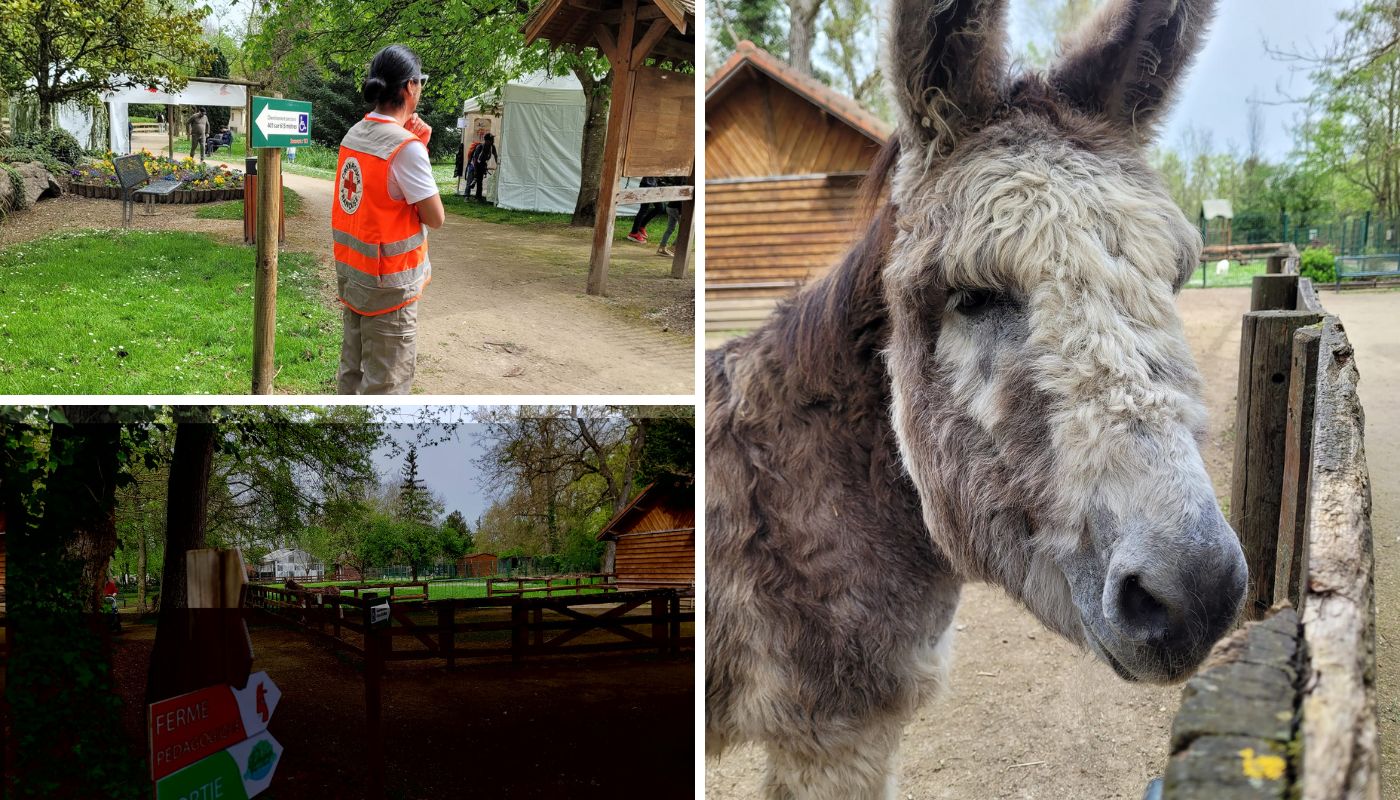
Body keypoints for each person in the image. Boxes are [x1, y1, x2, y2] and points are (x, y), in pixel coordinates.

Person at [332, 43, 444, 395]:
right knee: (385, 389)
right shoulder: (405, 147)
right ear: (410, 86)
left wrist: (415, 141)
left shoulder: (354, 134)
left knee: (351, 375)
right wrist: (415, 143)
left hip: (355, 281)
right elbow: (435, 217)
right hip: (390, 292)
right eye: (420, 82)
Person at [626, 177, 662, 244]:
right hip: (646, 185)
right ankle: (633, 233)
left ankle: (641, 226)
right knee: (643, 210)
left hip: (653, 186)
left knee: (659, 208)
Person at [469, 132, 496, 200]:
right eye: (491, 140)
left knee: (479, 181)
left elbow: (495, 155)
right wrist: (475, 171)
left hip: (482, 164)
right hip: (475, 164)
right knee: (473, 180)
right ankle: (467, 196)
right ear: (487, 140)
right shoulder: (480, 147)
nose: (493, 141)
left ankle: (478, 197)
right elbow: (475, 159)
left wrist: (498, 164)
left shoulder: (492, 147)